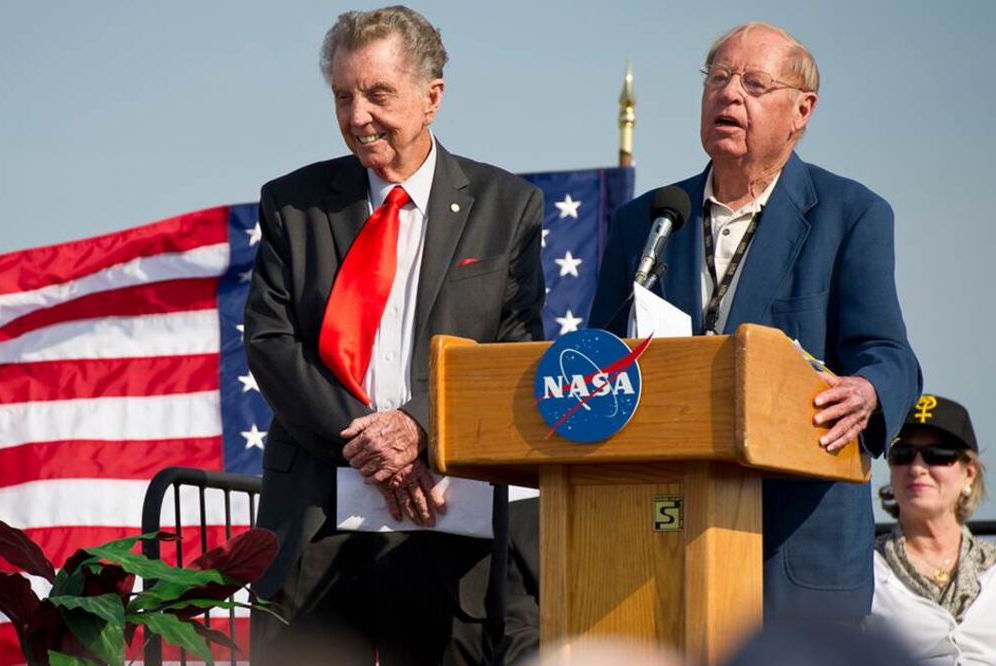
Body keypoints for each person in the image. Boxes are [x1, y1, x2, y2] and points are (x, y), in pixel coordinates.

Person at [243, 5, 545, 665]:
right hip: (317, 511)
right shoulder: (292, 204)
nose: (357, 116)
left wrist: (418, 429)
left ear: (431, 97)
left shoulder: (506, 207)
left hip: (443, 514)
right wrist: (370, 443)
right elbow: (270, 342)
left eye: (377, 94)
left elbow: (512, 353)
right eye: (343, 96)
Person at [589, 21, 921, 618]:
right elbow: (602, 358)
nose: (729, 94)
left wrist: (868, 390)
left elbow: (887, 353)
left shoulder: (851, 215)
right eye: (717, 78)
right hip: (663, 539)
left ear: (801, 111)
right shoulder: (651, 220)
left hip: (794, 550)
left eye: (754, 83)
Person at [868, 394, 995, 664]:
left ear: (969, 473)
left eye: (937, 455)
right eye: (903, 454)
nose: (917, 468)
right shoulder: (863, 572)